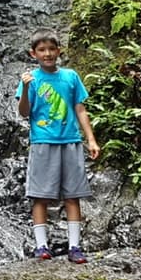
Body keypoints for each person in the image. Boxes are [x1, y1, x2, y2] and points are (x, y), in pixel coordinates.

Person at [16, 31, 100, 263]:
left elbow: (80, 109)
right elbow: (24, 112)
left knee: (73, 196)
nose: (48, 54)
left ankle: (75, 247)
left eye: (51, 49)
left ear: (59, 50)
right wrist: (24, 89)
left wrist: (90, 139)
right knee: (40, 196)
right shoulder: (31, 80)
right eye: (42, 50)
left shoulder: (70, 77)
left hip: (71, 141)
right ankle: (41, 246)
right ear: (34, 53)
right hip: (43, 142)